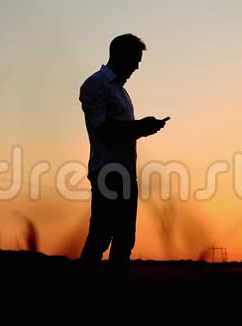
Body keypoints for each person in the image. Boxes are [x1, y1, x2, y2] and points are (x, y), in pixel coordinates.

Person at [78, 33, 167, 279]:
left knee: (125, 239)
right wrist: (139, 126)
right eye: (135, 60)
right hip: (107, 171)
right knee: (101, 236)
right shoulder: (96, 84)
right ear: (120, 55)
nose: (137, 66)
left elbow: (121, 132)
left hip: (126, 173)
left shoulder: (122, 92)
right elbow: (101, 127)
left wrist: (144, 129)